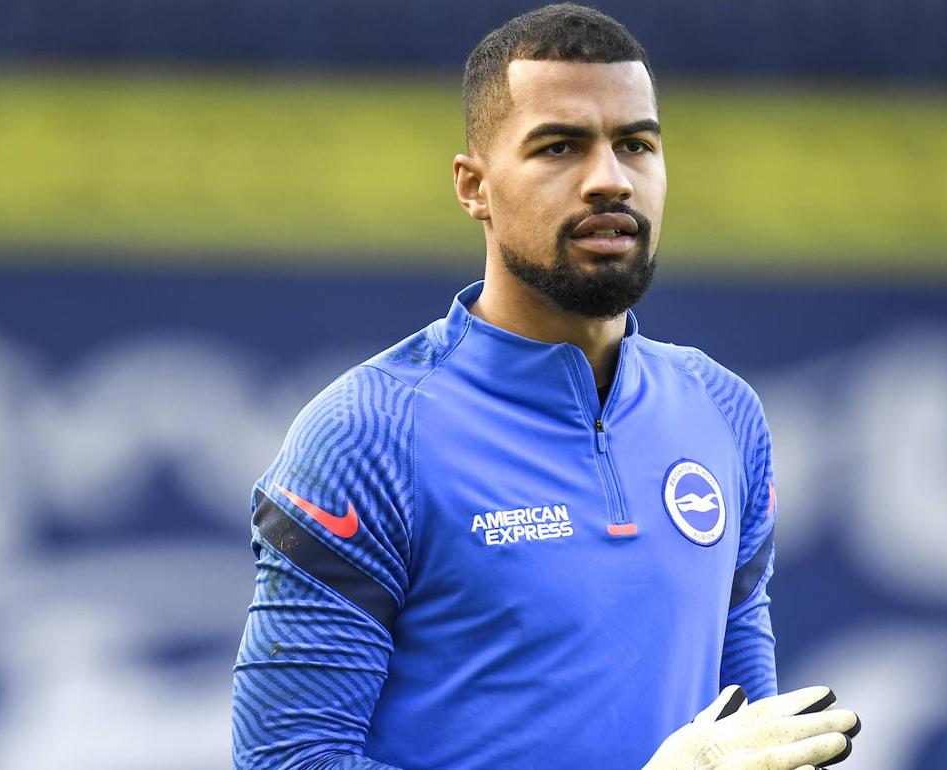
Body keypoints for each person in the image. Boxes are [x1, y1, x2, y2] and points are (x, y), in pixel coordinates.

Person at [231, 5, 860, 769]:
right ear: (475, 187)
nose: (609, 180)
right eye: (560, 147)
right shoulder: (369, 433)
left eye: (636, 144)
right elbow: (288, 760)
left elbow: (749, 736)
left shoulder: (723, 411)